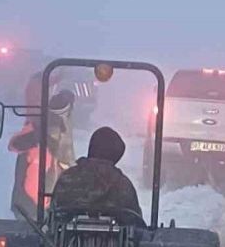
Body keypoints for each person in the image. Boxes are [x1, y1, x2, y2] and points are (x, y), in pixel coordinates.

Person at [51, 127, 143, 225]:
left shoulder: (66, 178)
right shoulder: (122, 184)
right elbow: (136, 224)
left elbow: (53, 217)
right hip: (113, 239)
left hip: (63, 239)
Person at [9, 91, 75, 220]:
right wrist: (36, 137)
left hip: (51, 206)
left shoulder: (64, 137)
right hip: (26, 206)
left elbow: (68, 162)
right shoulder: (35, 127)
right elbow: (14, 144)